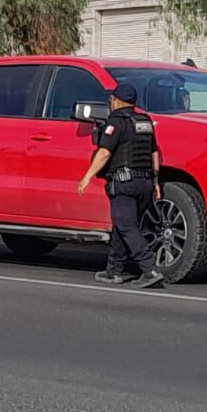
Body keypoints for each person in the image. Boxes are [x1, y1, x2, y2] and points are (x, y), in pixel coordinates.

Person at [77, 84, 165, 289]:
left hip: (124, 183)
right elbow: (154, 153)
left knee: (126, 226)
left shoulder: (115, 123)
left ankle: (149, 268)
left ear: (115, 100)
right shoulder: (144, 122)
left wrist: (87, 176)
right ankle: (113, 270)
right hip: (144, 183)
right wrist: (156, 182)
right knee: (122, 226)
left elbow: (105, 153)